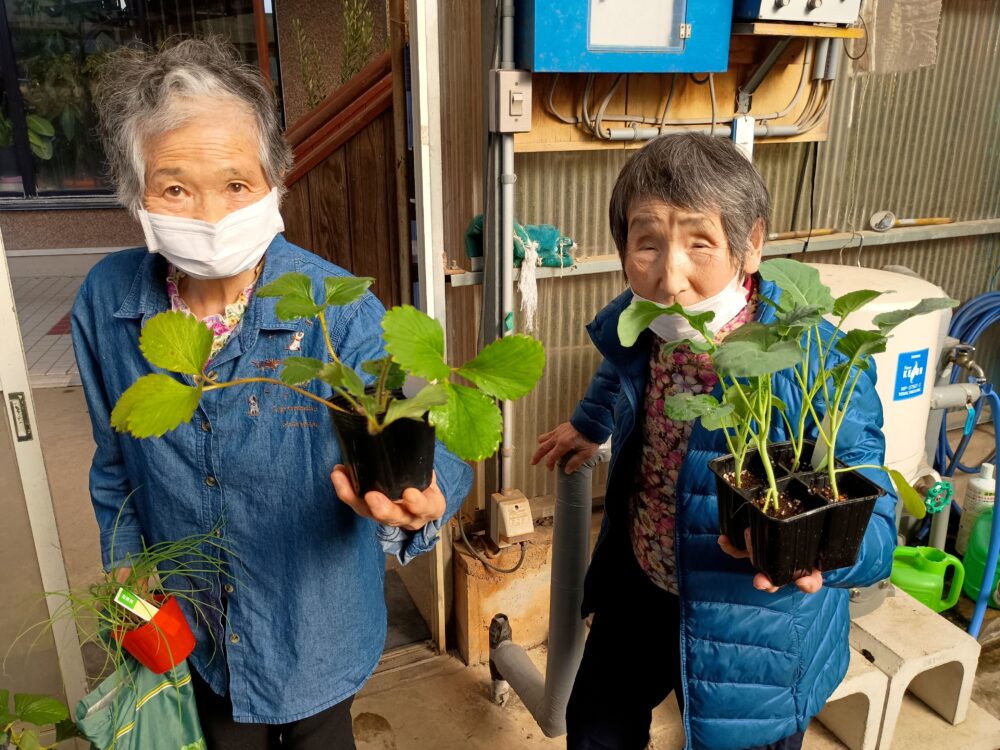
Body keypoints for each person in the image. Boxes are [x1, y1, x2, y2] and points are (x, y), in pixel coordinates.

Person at [71, 38, 472, 749]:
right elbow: (115, 464)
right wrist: (128, 573)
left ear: (275, 184)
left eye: (235, 184)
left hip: (314, 631)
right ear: (137, 196)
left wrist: (421, 497)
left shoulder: (337, 311)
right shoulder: (108, 305)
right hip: (195, 635)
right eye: (174, 187)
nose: (208, 214)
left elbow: (427, 434)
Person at [531, 133, 897, 750]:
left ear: (750, 244)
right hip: (642, 576)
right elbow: (617, 372)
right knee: (595, 726)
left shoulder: (817, 359)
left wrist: (827, 551)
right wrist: (589, 424)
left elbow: (877, 512)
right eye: (647, 243)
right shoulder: (641, 319)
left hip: (754, 623)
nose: (671, 275)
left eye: (700, 242)